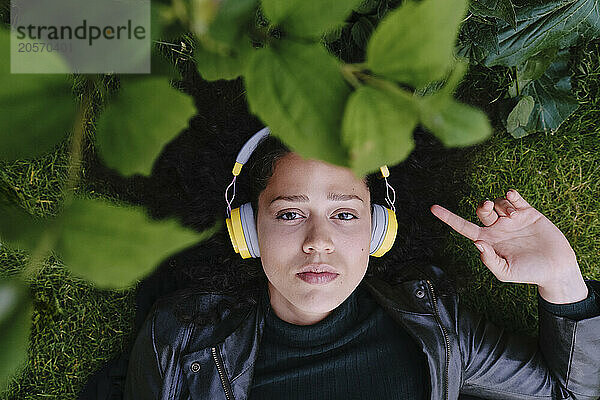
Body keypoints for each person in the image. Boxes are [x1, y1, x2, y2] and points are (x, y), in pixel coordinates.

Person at [124, 127, 600, 400]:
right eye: (290, 213)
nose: (318, 242)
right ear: (247, 230)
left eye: (345, 214)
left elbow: (571, 393)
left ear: (379, 230)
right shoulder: (180, 339)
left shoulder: (435, 323)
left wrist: (563, 281)